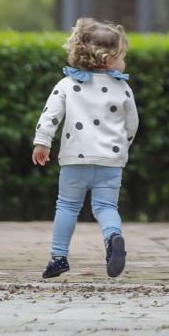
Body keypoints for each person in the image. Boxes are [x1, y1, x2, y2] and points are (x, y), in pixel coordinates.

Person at [33, 18, 138, 280]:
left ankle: (58, 257)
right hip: (110, 161)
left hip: (74, 160)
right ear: (109, 58)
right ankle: (113, 237)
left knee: (67, 207)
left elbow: (50, 116)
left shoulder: (68, 84)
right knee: (105, 208)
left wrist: (42, 141)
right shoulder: (122, 88)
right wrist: (122, 148)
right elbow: (132, 124)